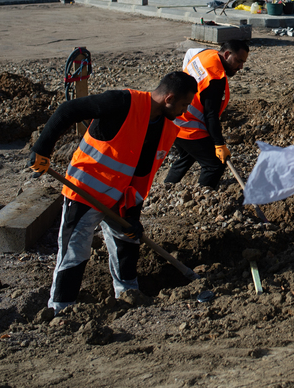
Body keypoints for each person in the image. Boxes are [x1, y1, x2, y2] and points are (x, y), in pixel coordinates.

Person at [28, 71, 198, 311]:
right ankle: (61, 308)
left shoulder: (165, 129)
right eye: (183, 104)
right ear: (168, 98)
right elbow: (68, 110)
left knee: (127, 242)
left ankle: (128, 295)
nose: (185, 111)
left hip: (120, 198)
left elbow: (142, 175)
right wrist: (41, 149)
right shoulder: (122, 102)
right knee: (75, 250)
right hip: (84, 190)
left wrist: (131, 213)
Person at [164, 38, 250, 189]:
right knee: (215, 164)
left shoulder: (205, 54)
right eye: (238, 61)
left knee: (187, 156)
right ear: (227, 54)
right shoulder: (215, 77)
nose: (240, 67)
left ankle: (168, 187)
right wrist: (219, 144)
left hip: (175, 118)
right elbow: (211, 115)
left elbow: (189, 54)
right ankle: (203, 194)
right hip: (188, 127)